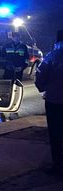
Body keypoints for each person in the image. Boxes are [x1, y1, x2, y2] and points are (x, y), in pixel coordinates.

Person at [35, 30, 63, 175]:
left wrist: (43, 89)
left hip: (55, 101)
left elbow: (40, 76)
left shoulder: (52, 56)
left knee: (56, 133)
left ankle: (58, 165)